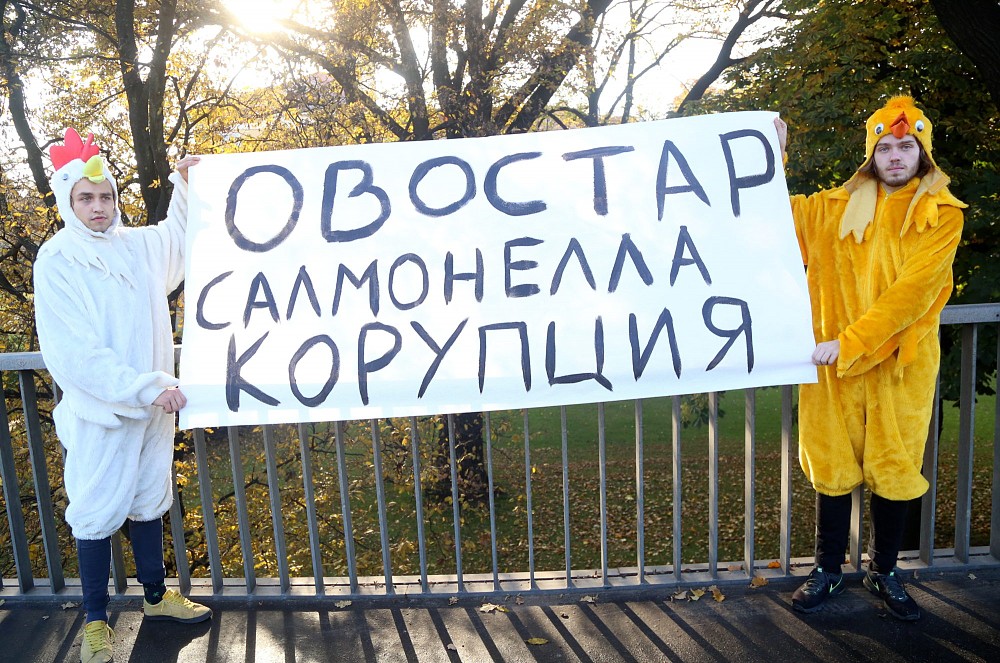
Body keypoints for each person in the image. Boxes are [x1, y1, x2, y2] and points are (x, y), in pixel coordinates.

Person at [774, 96, 965, 621]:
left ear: (923, 153)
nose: (895, 156)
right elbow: (770, 219)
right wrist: (771, 154)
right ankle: (828, 570)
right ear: (871, 154)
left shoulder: (943, 214)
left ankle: (885, 571)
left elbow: (914, 293)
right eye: (885, 148)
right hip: (832, 366)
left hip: (900, 365)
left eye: (906, 147)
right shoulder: (831, 208)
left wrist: (853, 340)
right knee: (831, 466)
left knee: (895, 469)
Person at [33, 128, 208, 663]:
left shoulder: (136, 246)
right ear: (68, 202)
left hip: (155, 408)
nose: (99, 206)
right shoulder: (58, 260)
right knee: (95, 509)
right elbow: (74, 353)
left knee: (149, 498)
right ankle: (94, 621)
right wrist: (143, 386)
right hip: (104, 413)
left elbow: (179, 240)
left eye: (106, 196)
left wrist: (185, 184)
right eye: (86, 198)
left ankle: (156, 598)